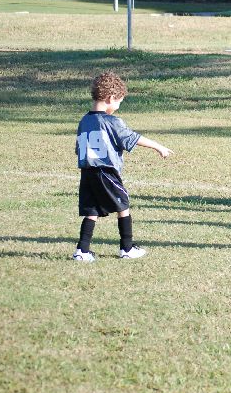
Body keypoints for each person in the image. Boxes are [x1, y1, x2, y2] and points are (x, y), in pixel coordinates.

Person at [73, 71, 172, 262]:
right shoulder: (112, 121)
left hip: (87, 172)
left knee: (92, 210)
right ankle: (127, 248)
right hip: (106, 172)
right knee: (123, 205)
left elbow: (79, 149)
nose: (118, 107)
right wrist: (158, 146)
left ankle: (82, 251)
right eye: (119, 102)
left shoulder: (84, 120)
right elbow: (132, 138)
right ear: (111, 98)